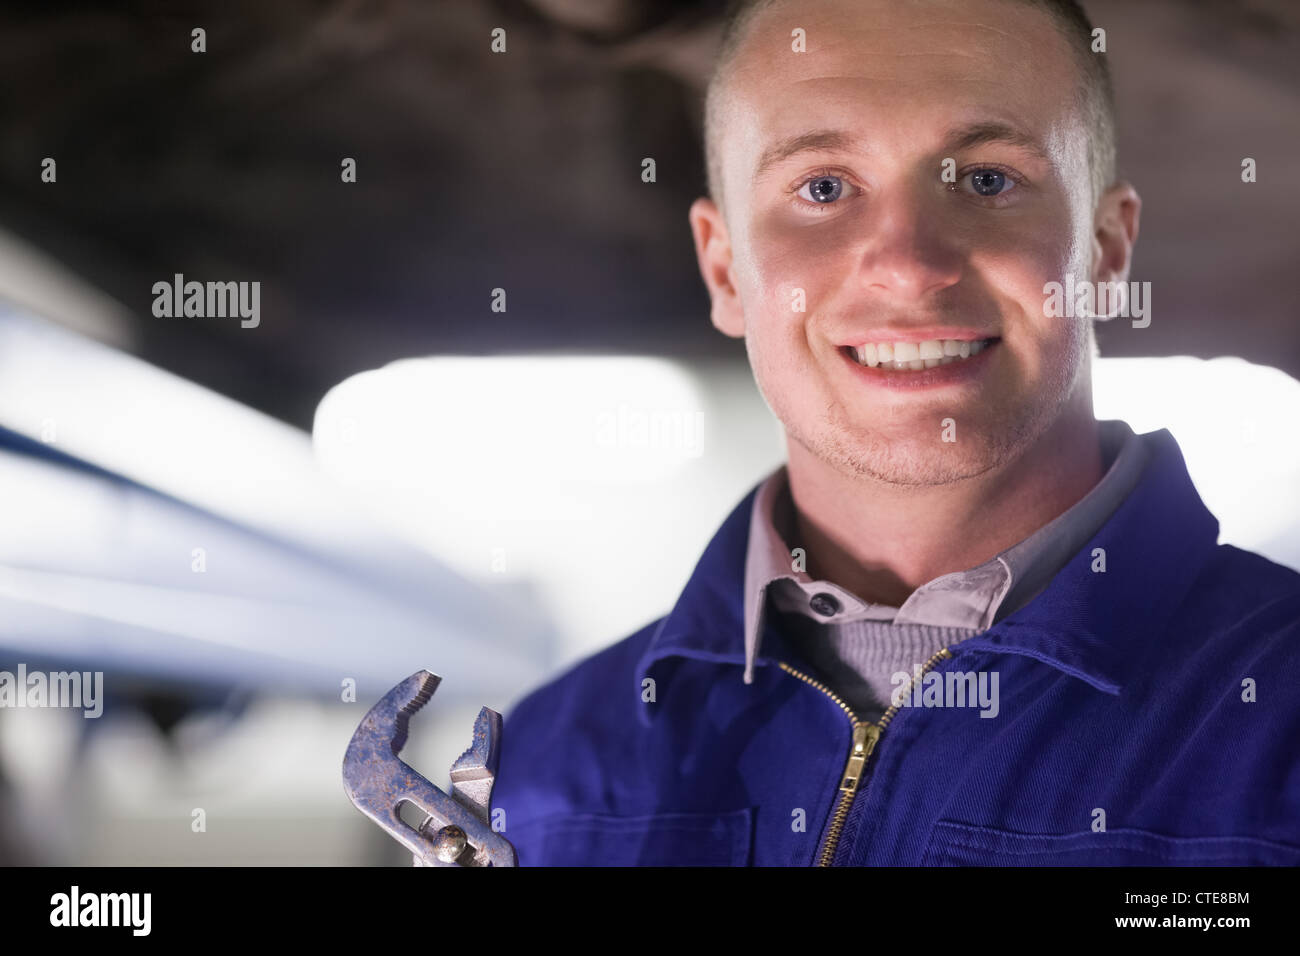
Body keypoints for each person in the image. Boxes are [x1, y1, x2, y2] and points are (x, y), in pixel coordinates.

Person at [489, 0, 1300, 865]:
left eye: (987, 179)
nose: (911, 266)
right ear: (726, 269)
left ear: (1104, 251)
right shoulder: (544, 773)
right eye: (824, 188)